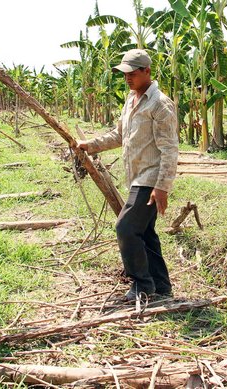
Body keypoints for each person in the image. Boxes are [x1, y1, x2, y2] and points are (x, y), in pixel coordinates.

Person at [76, 49, 179, 301]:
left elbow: (169, 148)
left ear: (147, 71)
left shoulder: (159, 104)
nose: (128, 79)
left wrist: (162, 186)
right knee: (144, 233)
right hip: (136, 177)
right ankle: (161, 285)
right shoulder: (131, 100)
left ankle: (142, 285)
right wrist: (90, 145)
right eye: (125, 75)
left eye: (132, 74)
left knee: (125, 228)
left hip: (150, 179)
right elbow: (119, 135)